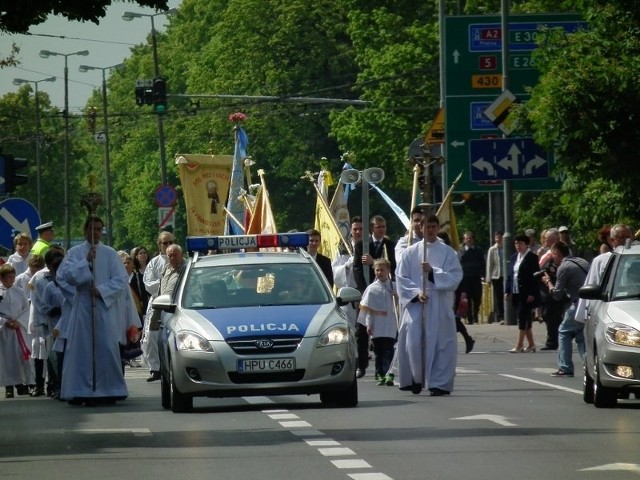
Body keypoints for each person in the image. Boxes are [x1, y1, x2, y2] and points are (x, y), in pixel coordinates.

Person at [55, 215, 133, 405]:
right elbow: (64, 277)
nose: (95, 232)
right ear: (85, 230)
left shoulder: (110, 253)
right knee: (81, 348)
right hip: (82, 305)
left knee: (106, 345)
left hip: (102, 306)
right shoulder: (74, 253)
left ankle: (109, 389)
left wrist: (102, 290)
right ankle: (79, 389)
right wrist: (85, 262)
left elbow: (121, 280)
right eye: (92, 228)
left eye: (99, 229)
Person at [396, 214, 463, 396]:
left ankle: (438, 383)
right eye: (427, 227)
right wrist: (416, 293)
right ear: (421, 228)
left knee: (442, 343)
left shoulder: (448, 252)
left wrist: (434, 272)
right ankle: (415, 379)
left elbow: (455, 276)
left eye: (434, 226)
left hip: (439, 303)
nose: (431, 230)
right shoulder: (410, 252)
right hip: (417, 304)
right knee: (414, 342)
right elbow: (400, 278)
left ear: (437, 228)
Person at [353, 215, 396, 378]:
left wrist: (374, 262)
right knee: (362, 330)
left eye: (383, 226)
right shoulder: (361, 246)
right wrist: (365, 291)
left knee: (385, 332)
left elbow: (392, 266)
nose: (381, 230)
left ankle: (384, 365)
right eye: (378, 227)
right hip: (368, 294)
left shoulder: (390, 245)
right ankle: (361, 364)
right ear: (372, 228)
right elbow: (357, 269)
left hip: (384, 294)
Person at [541, 241, 590, 377]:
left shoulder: (564, 266)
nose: (552, 259)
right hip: (590, 304)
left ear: (557, 253)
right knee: (580, 336)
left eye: (552, 256)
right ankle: (590, 366)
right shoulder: (582, 261)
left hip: (576, 304)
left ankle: (565, 367)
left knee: (563, 331)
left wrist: (548, 282)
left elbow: (557, 295)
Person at [142, 231, 175, 382]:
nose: (168, 246)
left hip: (176, 302)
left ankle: (171, 365)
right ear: (159, 245)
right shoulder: (154, 262)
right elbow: (148, 284)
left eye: (170, 242)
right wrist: (164, 281)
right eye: (165, 243)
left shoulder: (181, 261)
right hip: (158, 302)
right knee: (152, 335)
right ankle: (155, 368)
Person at [359, 258, 398, 386]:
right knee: (379, 352)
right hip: (377, 326)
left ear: (388, 271)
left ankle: (389, 374)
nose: (379, 272)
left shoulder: (394, 286)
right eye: (377, 270)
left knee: (389, 350)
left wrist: (396, 296)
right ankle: (380, 374)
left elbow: (400, 306)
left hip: (390, 324)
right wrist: (369, 324)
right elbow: (368, 308)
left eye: (382, 270)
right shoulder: (371, 289)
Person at [438, 231, 475, 354]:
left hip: (453, 288)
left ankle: (465, 338)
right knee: (450, 316)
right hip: (451, 287)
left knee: (450, 315)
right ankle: (467, 338)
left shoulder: (452, 253)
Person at [0, 264, 32, 399]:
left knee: (20, 357)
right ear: (1, 278)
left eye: (13, 277)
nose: (12, 280)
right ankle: (8, 387)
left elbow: (26, 309)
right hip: (4, 331)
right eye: (8, 278)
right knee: (6, 359)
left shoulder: (19, 291)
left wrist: (19, 322)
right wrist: (4, 321)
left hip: (17, 328)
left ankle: (20, 384)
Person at [505, 234, 540, 353]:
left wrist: (532, 293)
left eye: (520, 243)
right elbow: (510, 275)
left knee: (522, 317)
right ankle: (531, 344)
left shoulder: (532, 257)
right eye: (516, 243)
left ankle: (519, 344)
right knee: (525, 318)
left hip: (527, 292)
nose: (518, 246)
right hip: (516, 291)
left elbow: (535, 277)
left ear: (526, 245)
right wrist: (507, 290)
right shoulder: (514, 257)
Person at [332, 217, 363, 329]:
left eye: (361, 229)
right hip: (349, 296)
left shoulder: (369, 246)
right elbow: (334, 272)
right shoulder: (343, 248)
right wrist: (346, 266)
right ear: (351, 230)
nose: (358, 232)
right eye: (355, 229)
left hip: (365, 292)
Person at [537, 228, 563, 350]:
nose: (546, 240)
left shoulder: (557, 252)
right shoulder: (545, 252)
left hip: (553, 287)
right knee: (548, 314)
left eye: (549, 239)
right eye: (546, 238)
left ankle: (552, 341)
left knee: (552, 314)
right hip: (545, 287)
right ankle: (553, 338)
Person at [457, 231, 485, 325]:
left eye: (470, 238)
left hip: (476, 277)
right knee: (467, 299)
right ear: (464, 240)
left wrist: (483, 275)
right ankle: (470, 318)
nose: (468, 240)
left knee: (477, 298)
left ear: (473, 240)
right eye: (466, 238)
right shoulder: (460, 251)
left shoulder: (478, 250)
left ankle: (475, 314)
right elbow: (458, 264)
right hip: (465, 279)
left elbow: (483, 263)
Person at [485, 231, 504, 324]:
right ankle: (501, 317)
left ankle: (510, 314)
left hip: (506, 275)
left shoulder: (507, 247)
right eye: (496, 237)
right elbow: (490, 264)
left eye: (500, 237)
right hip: (496, 275)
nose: (498, 239)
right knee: (498, 297)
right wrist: (488, 279)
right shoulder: (492, 249)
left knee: (508, 296)